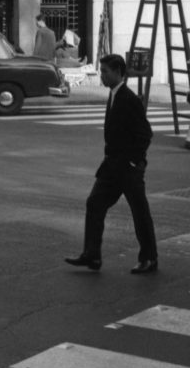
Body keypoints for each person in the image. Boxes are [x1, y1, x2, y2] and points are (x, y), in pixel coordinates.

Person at [65, 54, 158, 274]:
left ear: (118, 72)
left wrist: (135, 161)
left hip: (127, 167)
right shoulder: (114, 95)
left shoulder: (128, 98)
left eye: (105, 71)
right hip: (111, 166)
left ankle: (149, 258)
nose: (102, 75)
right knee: (94, 203)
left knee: (139, 212)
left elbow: (145, 133)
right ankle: (92, 254)